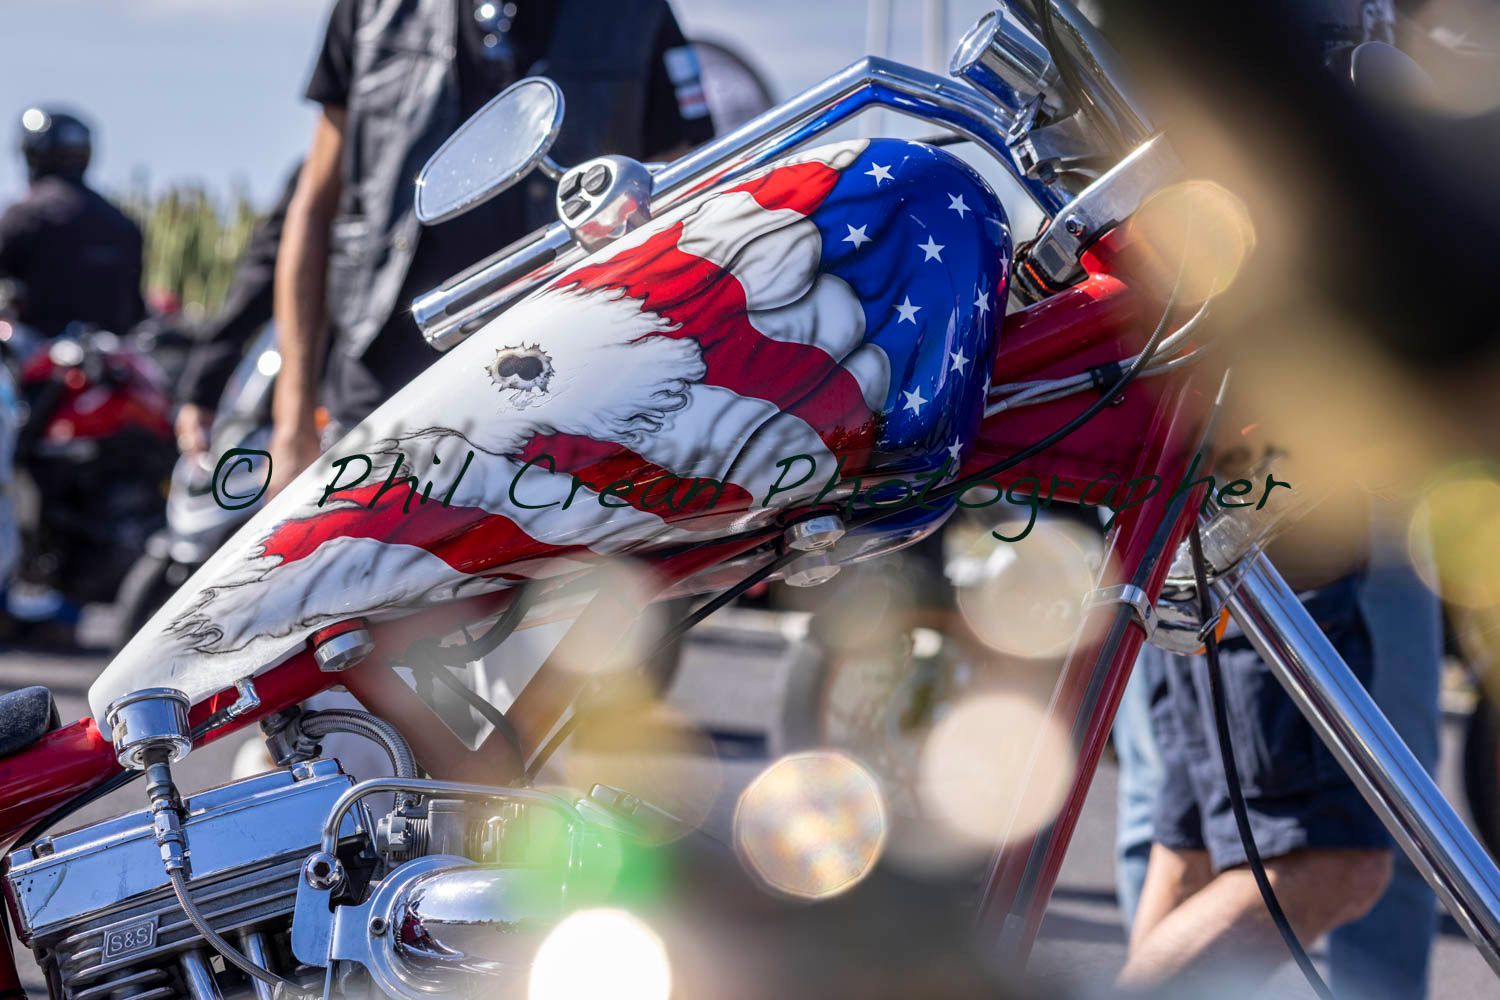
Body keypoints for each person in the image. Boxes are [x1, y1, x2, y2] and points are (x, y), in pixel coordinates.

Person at [270, 0, 715, 495]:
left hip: (563, 385)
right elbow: (314, 208)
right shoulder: (371, 10)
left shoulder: (635, 12)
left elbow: (680, 203)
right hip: (381, 384)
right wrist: (292, 420)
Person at [173, 164, 300, 455]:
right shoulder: (341, 154)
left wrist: (201, 391)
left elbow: (264, 270)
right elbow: (266, 270)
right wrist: (202, 389)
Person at [0, 108, 144, 338]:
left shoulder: (25, 214)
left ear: (33, 155)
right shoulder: (122, 223)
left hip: (39, 345)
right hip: (112, 346)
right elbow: (135, 307)